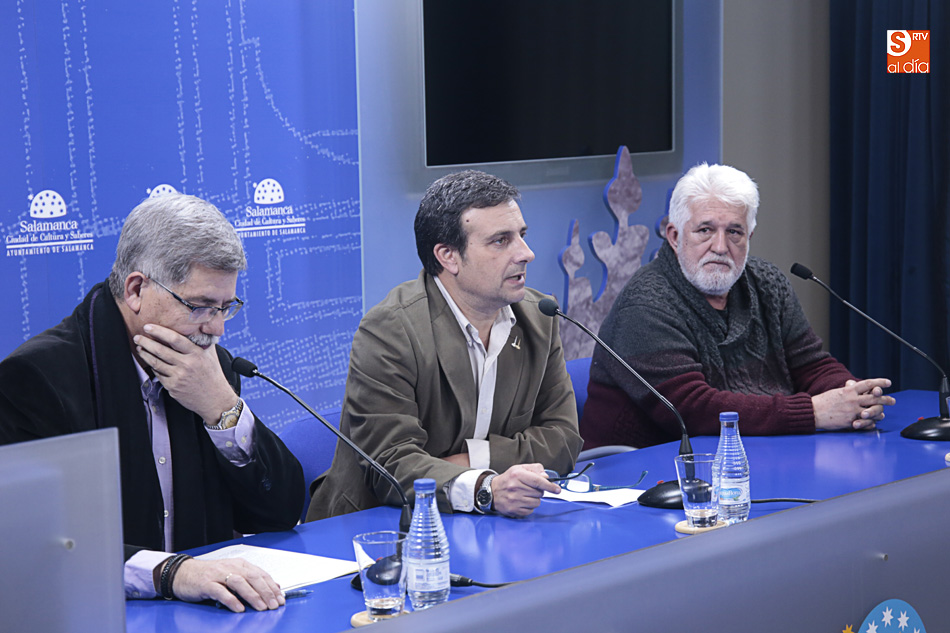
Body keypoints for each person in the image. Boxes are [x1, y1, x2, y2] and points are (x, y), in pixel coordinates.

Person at [0, 194, 304, 612]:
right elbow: (34, 545)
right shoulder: (39, 378)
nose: (216, 328)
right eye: (200, 306)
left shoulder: (209, 370)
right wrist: (170, 572)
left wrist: (222, 409)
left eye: (225, 308)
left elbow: (279, 512)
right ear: (136, 289)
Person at [306, 170, 582, 521]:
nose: (526, 253)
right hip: (381, 527)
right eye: (501, 241)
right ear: (448, 256)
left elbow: (563, 439)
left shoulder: (540, 317)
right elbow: (391, 465)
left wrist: (473, 461)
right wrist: (485, 486)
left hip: (485, 525)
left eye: (521, 236)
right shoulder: (391, 331)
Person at [582, 163, 895, 448]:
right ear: (675, 237)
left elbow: (810, 365)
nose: (720, 247)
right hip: (646, 472)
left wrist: (854, 397)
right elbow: (693, 410)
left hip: (752, 453)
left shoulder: (767, 282)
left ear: (749, 237)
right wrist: (813, 412)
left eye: (734, 232)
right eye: (705, 230)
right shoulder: (645, 304)